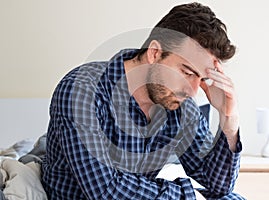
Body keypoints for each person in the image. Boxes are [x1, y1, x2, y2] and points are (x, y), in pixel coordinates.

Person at [41, 2, 245, 200]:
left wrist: (229, 121)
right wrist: (187, 196)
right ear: (155, 53)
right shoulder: (82, 89)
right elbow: (105, 191)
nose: (192, 92)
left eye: (202, 79)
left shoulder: (179, 105)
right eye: (187, 72)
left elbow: (216, 187)